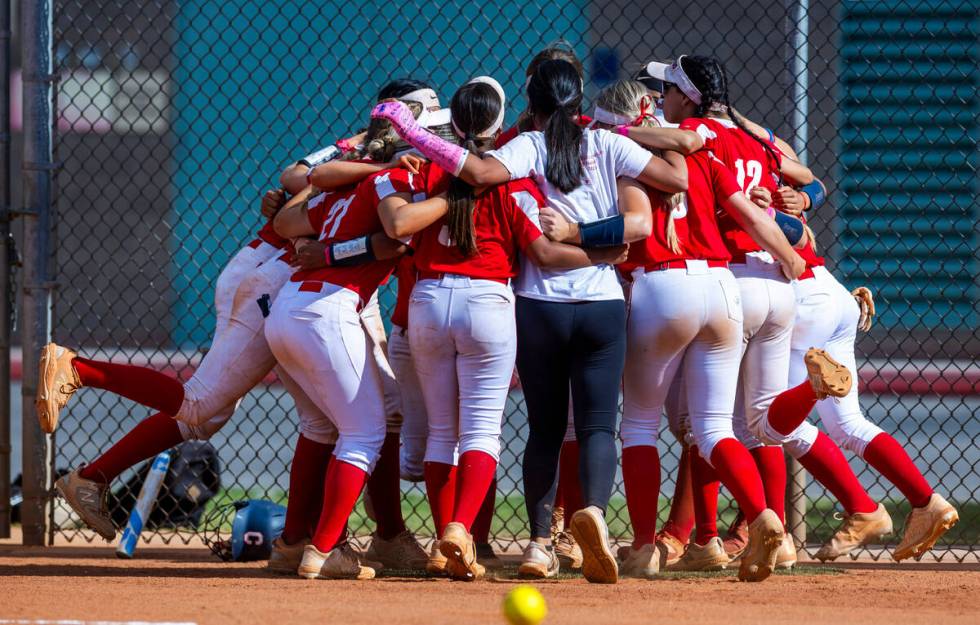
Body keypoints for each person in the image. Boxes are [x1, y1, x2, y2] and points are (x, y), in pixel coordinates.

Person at [373, 58, 688, 584]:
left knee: (542, 429)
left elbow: (474, 172)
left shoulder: (528, 147)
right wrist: (594, 241)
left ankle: (539, 543)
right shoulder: (608, 145)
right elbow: (668, 185)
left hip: (537, 305)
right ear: (579, 100)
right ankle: (591, 515)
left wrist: (407, 130)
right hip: (600, 305)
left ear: (532, 106)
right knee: (595, 425)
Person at [763, 186, 959, 562]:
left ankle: (783, 536)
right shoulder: (762, 144)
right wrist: (805, 199)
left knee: (773, 422)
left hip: (797, 298)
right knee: (848, 423)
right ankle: (926, 501)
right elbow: (813, 183)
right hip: (831, 292)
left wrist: (789, 206)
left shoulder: (717, 157)